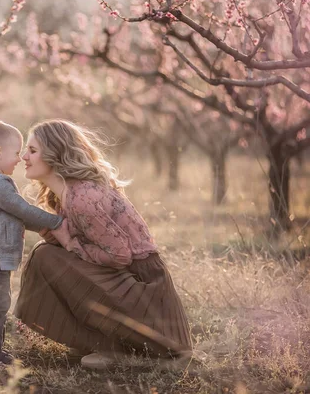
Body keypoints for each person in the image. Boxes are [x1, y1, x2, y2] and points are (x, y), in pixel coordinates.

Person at [14, 119, 192, 370]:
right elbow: (83, 240)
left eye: (32, 150)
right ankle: (98, 341)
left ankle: (121, 349)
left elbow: (119, 256)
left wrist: (68, 243)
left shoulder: (82, 197)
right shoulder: (64, 193)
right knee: (46, 253)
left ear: (55, 154)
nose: (24, 157)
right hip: (128, 283)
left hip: (145, 290)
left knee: (46, 256)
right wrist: (48, 229)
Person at [0, 119, 63, 366]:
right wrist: (57, 222)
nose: (20, 159)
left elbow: (15, 216)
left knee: (0, 304)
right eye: (16, 153)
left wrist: (42, 228)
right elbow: (23, 210)